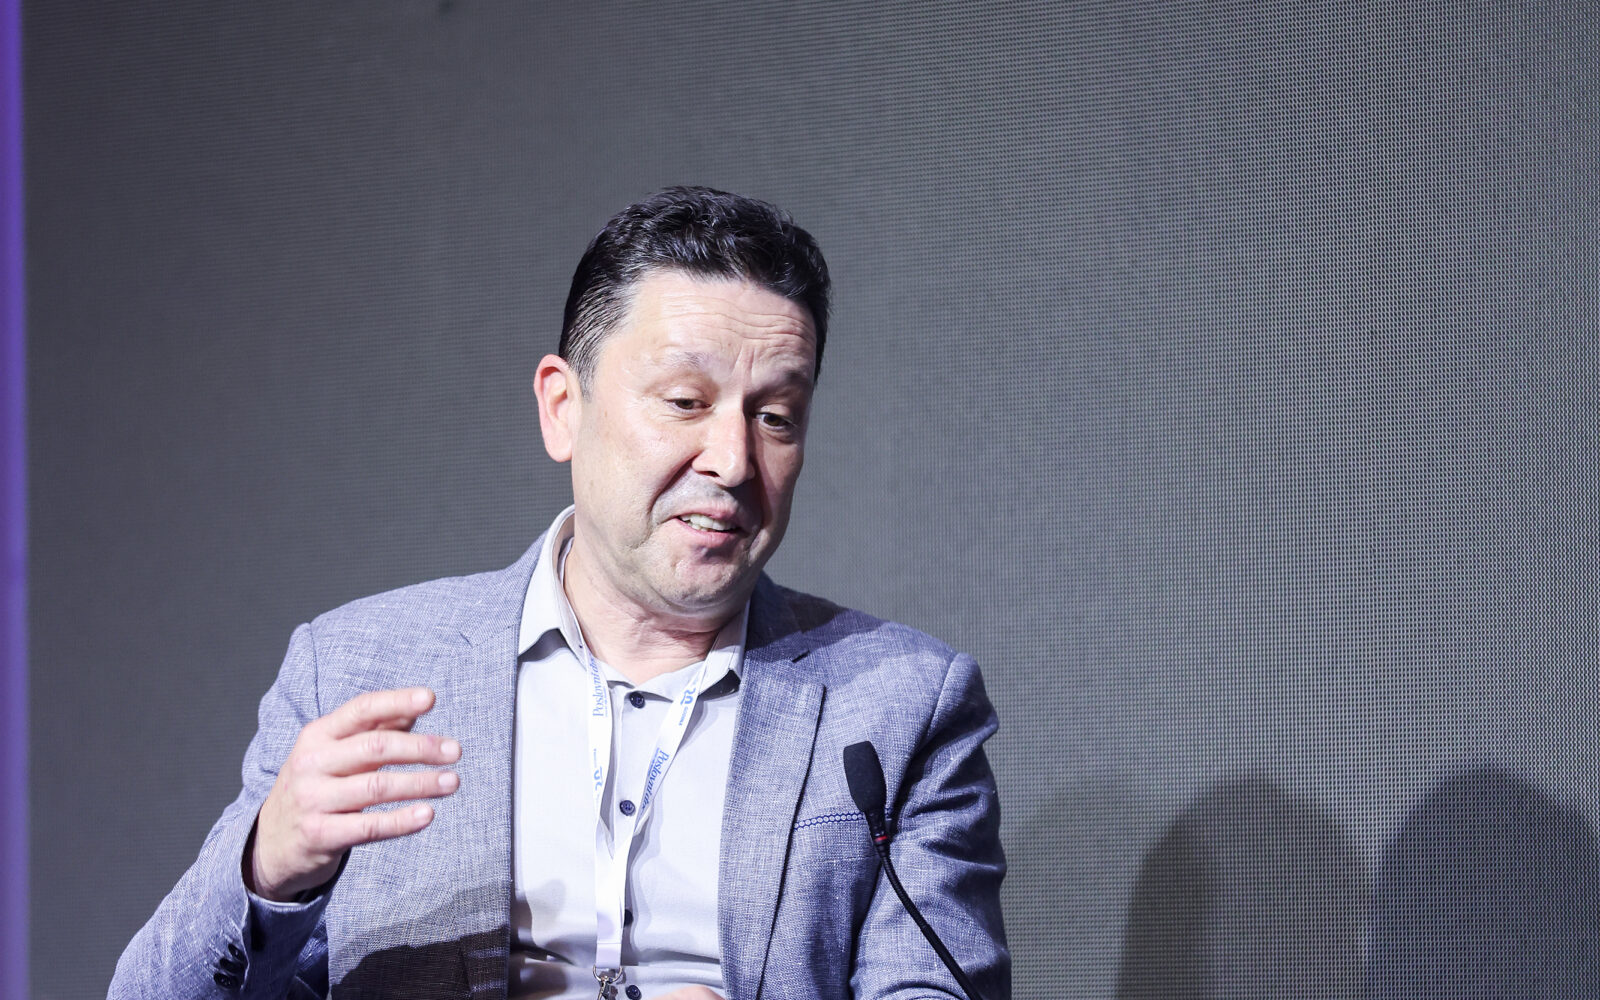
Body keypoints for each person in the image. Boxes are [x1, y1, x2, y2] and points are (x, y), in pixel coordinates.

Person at [111, 187, 1008, 1000]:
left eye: (776, 416)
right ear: (562, 408)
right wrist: (267, 870)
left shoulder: (894, 709)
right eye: (685, 401)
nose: (734, 461)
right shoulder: (355, 671)